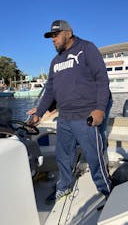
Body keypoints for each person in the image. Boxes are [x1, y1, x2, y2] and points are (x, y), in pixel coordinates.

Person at [27, 19, 112, 203]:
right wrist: (39, 113)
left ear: (69, 33)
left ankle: (106, 190)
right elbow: (50, 90)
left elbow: (102, 80)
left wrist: (99, 109)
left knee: (94, 156)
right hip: (64, 116)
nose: (53, 39)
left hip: (85, 114)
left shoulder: (87, 49)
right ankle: (64, 186)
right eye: (51, 36)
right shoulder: (55, 61)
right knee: (62, 156)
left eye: (55, 35)